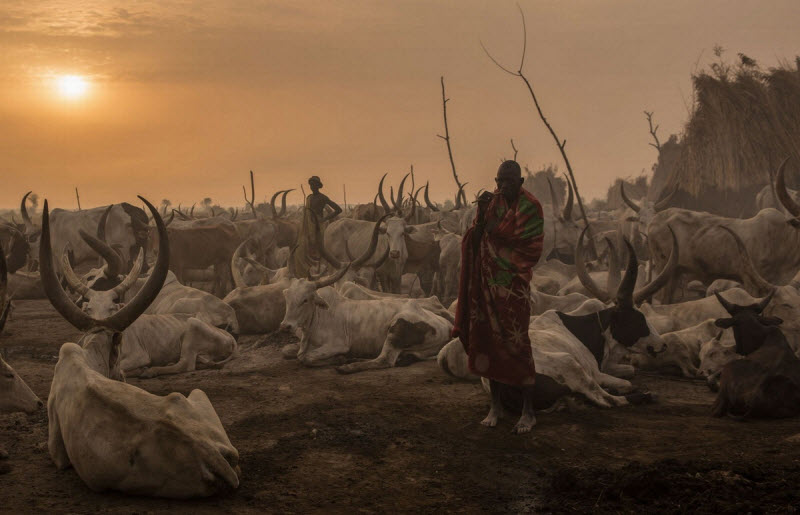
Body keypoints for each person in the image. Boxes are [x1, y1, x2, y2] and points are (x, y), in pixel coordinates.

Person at [452, 160, 544, 434]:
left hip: (513, 285)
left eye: (509, 181)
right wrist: (480, 214)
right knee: (487, 341)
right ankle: (496, 406)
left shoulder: (530, 207)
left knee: (518, 344)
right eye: (499, 181)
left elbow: (530, 246)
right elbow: (477, 237)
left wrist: (495, 235)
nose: (503, 186)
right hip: (486, 284)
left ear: (521, 181)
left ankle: (528, 411)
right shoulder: (491, 204)